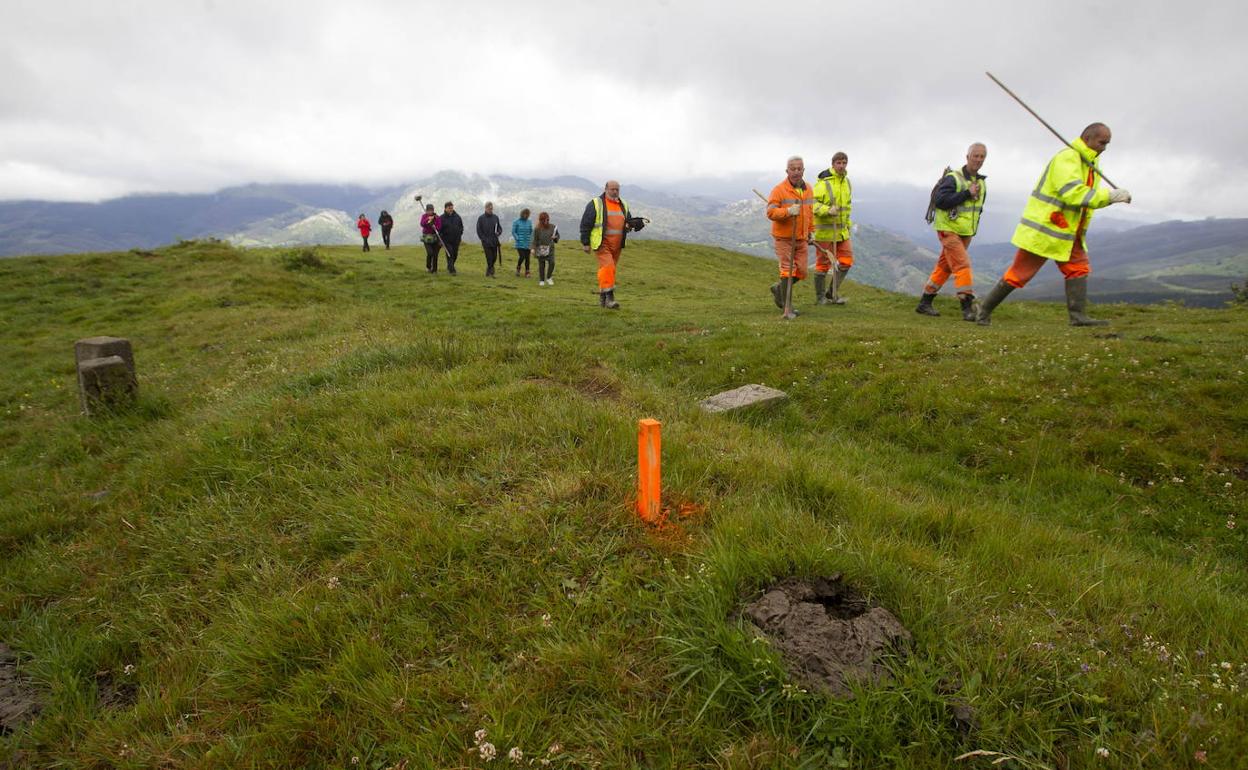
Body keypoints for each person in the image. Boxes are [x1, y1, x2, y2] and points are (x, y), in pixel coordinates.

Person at [977, 123, 1132, 326]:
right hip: (1046, 230)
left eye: (1107, 144)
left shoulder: (1088, 161)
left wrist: (1109, 198)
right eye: (1102, 142)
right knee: (1019, 273)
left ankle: (1078, 317)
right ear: (1088, 139)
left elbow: (1086, 200)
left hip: (1066, 231)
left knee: (1078, 268)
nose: (1104, 148)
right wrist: (1109, 196)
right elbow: (1073, 193)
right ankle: (983, 310)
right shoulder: (1068, 158)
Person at [916, 143, 988, 321]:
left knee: (945, 266)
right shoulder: (953, 178)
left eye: (982, 157)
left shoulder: (981, 182)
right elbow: (940, 201)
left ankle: (925, 302)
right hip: (948, 229)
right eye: (975, 156)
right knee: (962, 265)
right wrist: (966, 193)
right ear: (967, 157)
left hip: (966, 232)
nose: (978, 160)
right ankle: (967, 307)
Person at [766, 156, 814, 320]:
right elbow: (770, 212)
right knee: (787, 270)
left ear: (803, 170)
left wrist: (811, 231)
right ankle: (788, 308)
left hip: (801, 238)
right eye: (792, 169)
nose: (796, 172)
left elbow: (810, 213)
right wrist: (787, 212)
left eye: (799, 169)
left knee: (801, 271)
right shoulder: (778, 190)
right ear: (787, 171)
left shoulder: (808, 189)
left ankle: (779, 289)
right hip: (784, 238)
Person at [580, 180, 637, 309]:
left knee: (608, 271)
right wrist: (585, 243)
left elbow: (627, 221)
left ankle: (603, 299)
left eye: (617, 189)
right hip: (601, 243)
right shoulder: (596, 203)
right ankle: (610, 299)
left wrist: (632, 224)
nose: (615, 191)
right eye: (612, 189)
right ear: (605, 189)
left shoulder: (623, 204)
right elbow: (585, 223)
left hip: (617, 245)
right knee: (608, 267)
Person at [811, 152, 853, 305]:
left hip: (842, 232)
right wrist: (827, 210)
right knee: (823, 265)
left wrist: (848, 224)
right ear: (833, 164)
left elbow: (847, 207)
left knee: (846, 261)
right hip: (825, 232)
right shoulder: (823, 182)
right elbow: (813, 204)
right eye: (839, 163)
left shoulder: (847, 182)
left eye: (844, 163)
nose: (841, 166)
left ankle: (831, 293)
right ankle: (820, 298)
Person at [532, 212, 559, 286]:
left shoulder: (553, 227)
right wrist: (533, 248)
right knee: (541, 265)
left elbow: (557, 236)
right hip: (540, 249)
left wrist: (555, 238)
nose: (546, 222)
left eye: (547, 220)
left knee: (552, 263)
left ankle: (549, 277)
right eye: (544, 220)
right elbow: (535, 240)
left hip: (550, 249)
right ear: (541, 220)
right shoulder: (537, 229)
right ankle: (541, 280)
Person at [477, 202, 503, 277]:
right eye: (489, 208)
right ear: (485, 208)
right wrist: (483, 239)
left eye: (491, 208)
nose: (490, 210)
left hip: (494, 241)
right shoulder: (481, 218)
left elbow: (499, 228)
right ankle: (492, 271)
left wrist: (499, 232)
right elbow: (479, 230)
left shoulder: (495, 217)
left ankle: (488, 270)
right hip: (486, 241)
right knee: (489, 257)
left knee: (494, 257)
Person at [441, 201, 464, 275]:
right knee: (450, 253)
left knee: (455, 254)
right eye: (449, 208)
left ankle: (450, 266)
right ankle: (452, 270)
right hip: (446, 240)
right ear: (445, 208)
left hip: (456, 240)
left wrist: (460, 233)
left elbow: (461, 227)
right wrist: (441, 238)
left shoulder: (457, 217)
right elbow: (439, 229)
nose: (451, 209)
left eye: (452, 208)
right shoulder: (442, 218)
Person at [419, 204, 442, 273]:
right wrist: (427, 219)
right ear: (426, 211)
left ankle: (434, 270)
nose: (429, 212)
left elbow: (439, 226)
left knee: (435, 254)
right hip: (426, 237)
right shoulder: (424, 216)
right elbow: (422, 224)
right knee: (430, 253)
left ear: (433, 210)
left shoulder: (437, 217)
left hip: (435, 237)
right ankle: (428, 267)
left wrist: (435, 227)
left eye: (431, 210)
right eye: (428, 210)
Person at [512, 208, 534, 277]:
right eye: (524, 214)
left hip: (527, 243)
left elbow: (531, 231)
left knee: (527, 258)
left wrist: (531, 240)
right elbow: (513, 231)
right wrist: (517, 238)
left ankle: (527, 272)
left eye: (527, 214)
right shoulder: (516, 222)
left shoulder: (529, 222)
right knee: (522, 256)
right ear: (522, 214)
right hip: (519, 243)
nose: (525, 215)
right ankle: (518, 268)